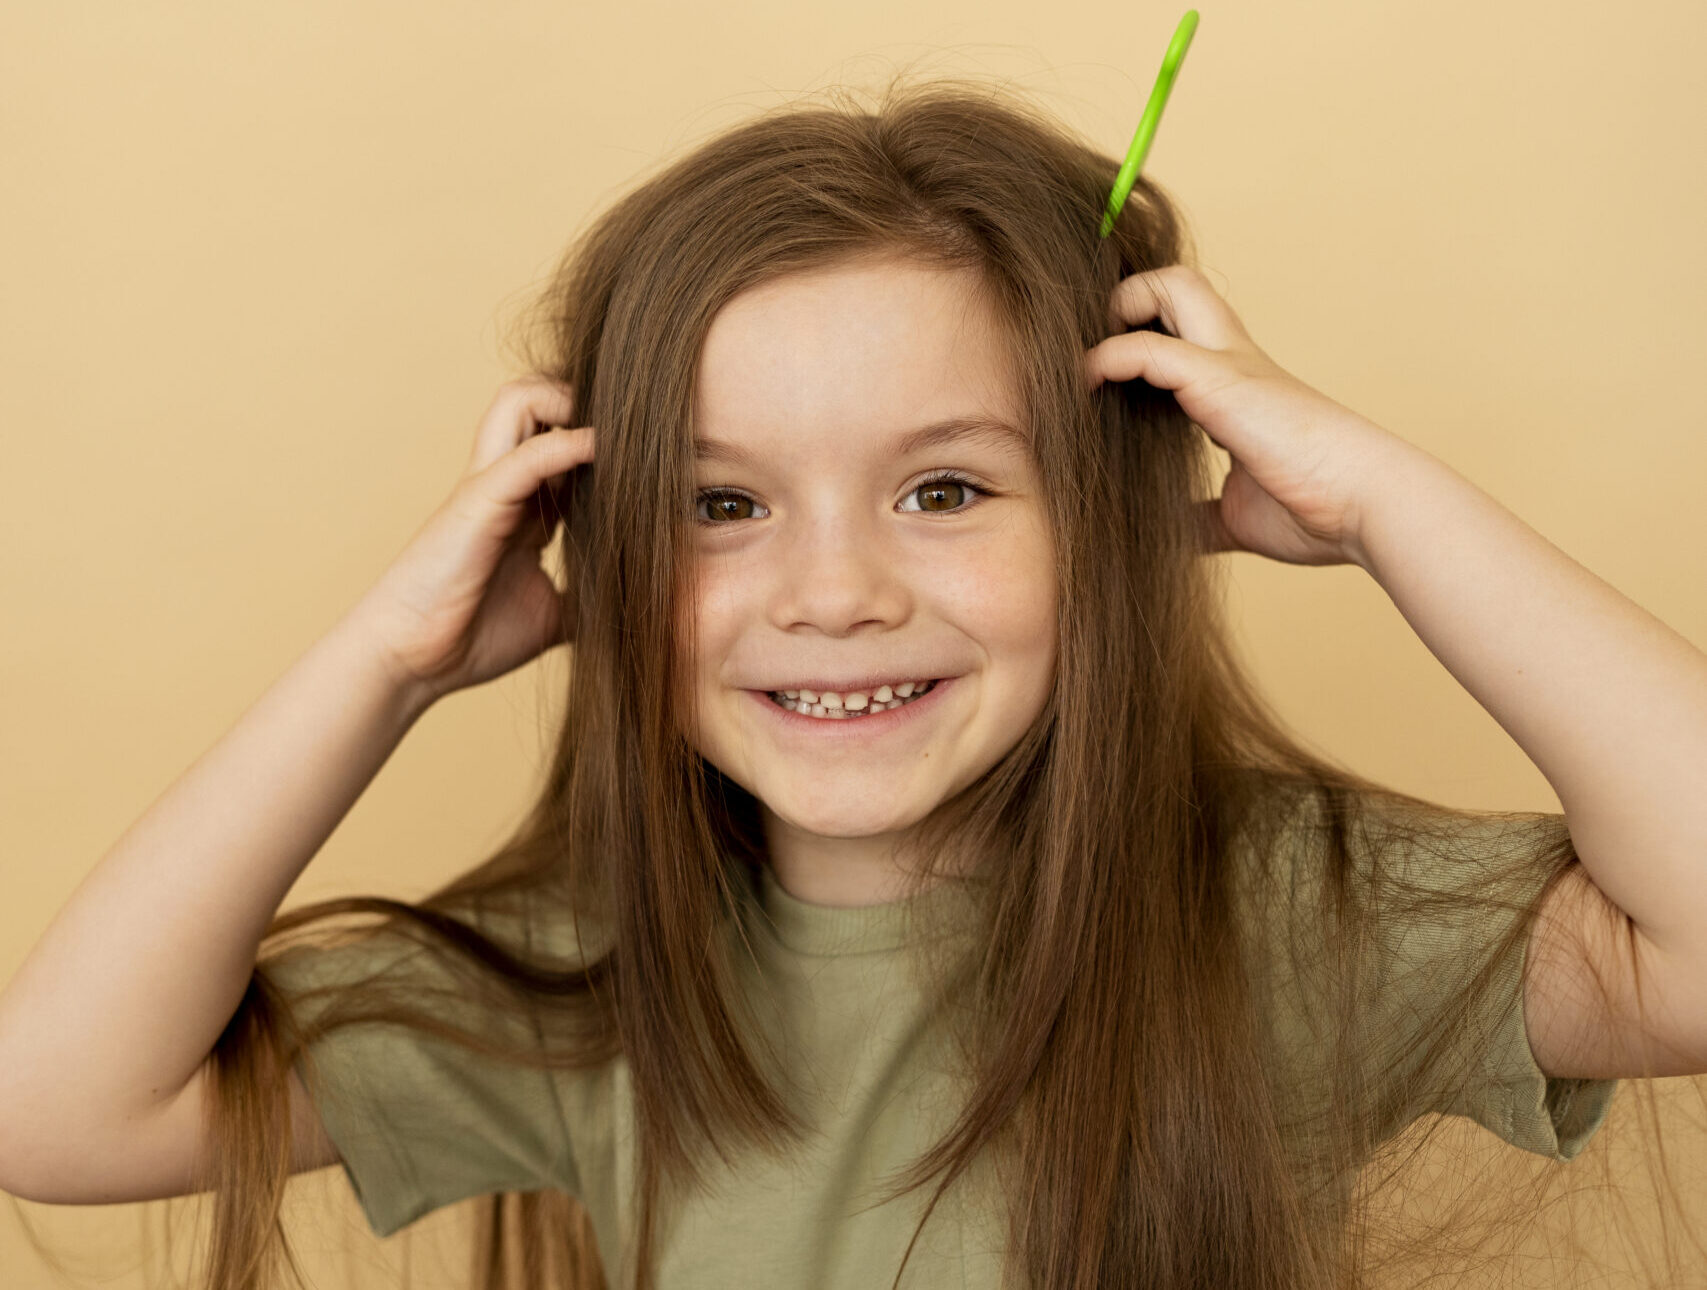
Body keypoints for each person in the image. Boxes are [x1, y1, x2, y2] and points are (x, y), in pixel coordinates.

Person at [2, 77, 1700, 1290]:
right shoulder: (599, 980)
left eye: (944, 489)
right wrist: (388, 663)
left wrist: (1385, 504)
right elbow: (57, 1110)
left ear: (1110, 520)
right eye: (720, 506)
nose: (831, 596)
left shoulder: (1280, 919)